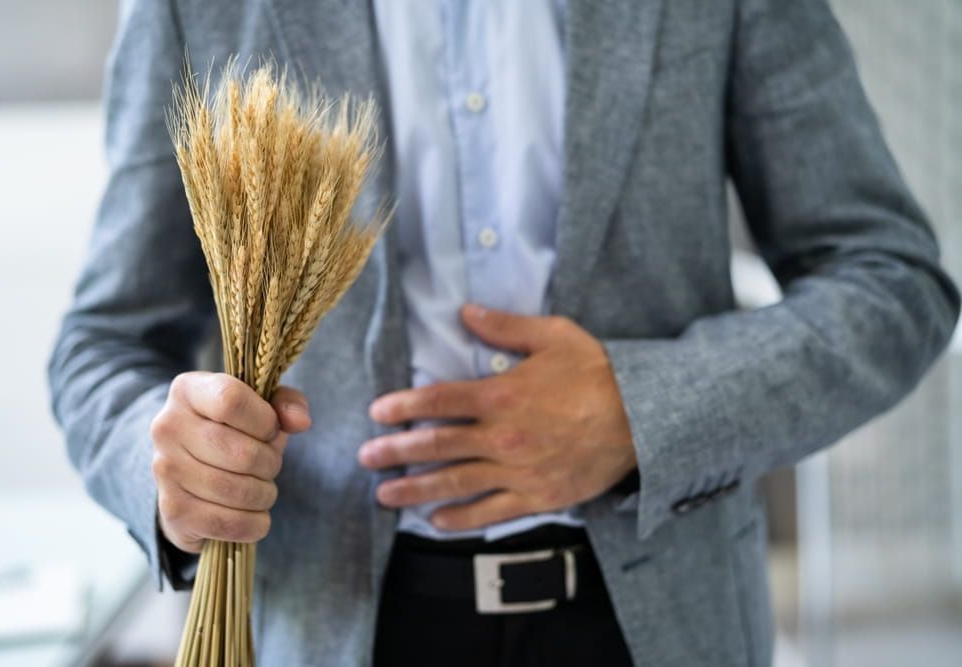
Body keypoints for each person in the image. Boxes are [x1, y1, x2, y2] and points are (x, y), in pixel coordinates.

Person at [49, 1, 959, 665]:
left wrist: (642, 412)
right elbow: (103, 344)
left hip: (661, 624)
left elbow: (894, 281)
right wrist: (168, 466)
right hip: (338, 629)